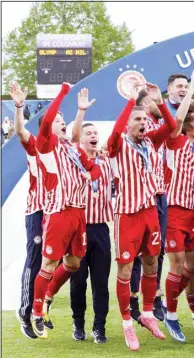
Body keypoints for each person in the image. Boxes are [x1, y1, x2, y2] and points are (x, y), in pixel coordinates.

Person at [107, 82, 178, 350]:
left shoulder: (151, 142)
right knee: (125, 269)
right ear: (127, 124)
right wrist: (130, 103)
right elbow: (115, 132)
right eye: (137, 120)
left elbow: (171, 127)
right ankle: (127, 323)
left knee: (152, 265)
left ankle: (147, 313)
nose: (143, 123)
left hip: (150, 212)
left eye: (144, 119)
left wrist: (160, 102)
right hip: (127, 215)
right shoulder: (117, 144)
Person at [30, 83, 101, 339]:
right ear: (49, 127)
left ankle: (47, 296)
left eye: (63, 120)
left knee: (73, 263)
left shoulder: (72, 148)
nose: (61, 122)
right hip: (58, 212)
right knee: (48, 263)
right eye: (58, 120)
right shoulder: (46, 145)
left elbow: (96, 169)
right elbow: (49, 118)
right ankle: (36, 312)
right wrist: (62, 94)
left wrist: (88, 174)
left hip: (78, 213)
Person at [161, 70, 194, 343]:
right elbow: (178, 115)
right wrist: (190, 86)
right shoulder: (175, 140)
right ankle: (171, 314)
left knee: (191, 267)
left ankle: (164, 304)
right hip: (175, 209)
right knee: (177, 264)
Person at [68, 88, 112, 343]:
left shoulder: (107, 162)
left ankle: (100, 328)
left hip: (100, 230)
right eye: (89, 133)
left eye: (96, 133)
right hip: (78, 229)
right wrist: (81, 112)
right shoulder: (74, 159)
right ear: (82, 140)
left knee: (100, 283)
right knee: (78, 283)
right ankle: (78, 325)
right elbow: (73, 137)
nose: (93, 136)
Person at [10, 82, 46, 339]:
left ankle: (41, 308)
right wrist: (20, 106)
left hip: (59, 213)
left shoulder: (65, 149)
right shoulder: (34, 146)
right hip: (38, 211)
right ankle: (24, 310)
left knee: (59, 263)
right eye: (57, 122)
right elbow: (20, 130)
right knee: (34, 261)